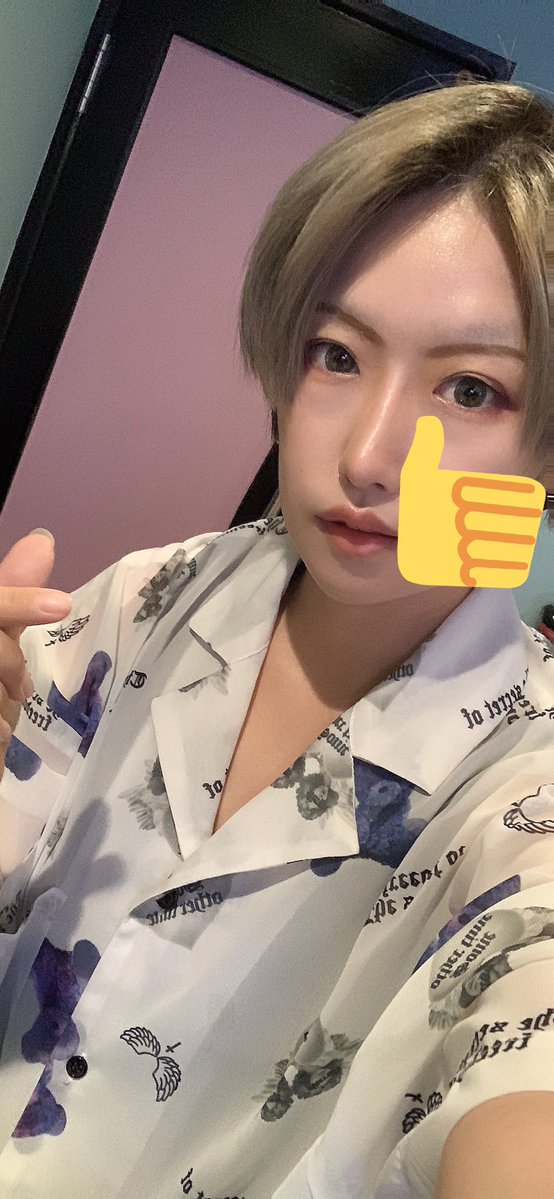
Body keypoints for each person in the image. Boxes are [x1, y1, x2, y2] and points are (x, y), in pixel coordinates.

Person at [0, 78, 553, 1199]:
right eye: (335, 354)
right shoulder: (147, 595)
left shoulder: (525, 787)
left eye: (468, 387)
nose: (369, 455)